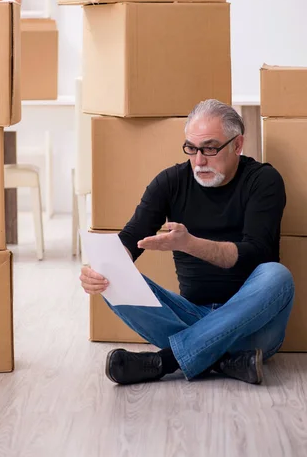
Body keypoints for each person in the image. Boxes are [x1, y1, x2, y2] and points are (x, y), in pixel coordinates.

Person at [80, 99, 295, 386]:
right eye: (191, 149)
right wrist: (96, 270)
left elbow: (257, 253)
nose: (199, 160)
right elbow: (129, 241)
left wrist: (189, 243)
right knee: (111, 273)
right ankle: (224, 360)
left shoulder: (263, 180)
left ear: (238, 144)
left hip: (253, 328)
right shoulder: (170, 181)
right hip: (190, 315)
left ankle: (165, 362)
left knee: (277, 276)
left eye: (210, 148)